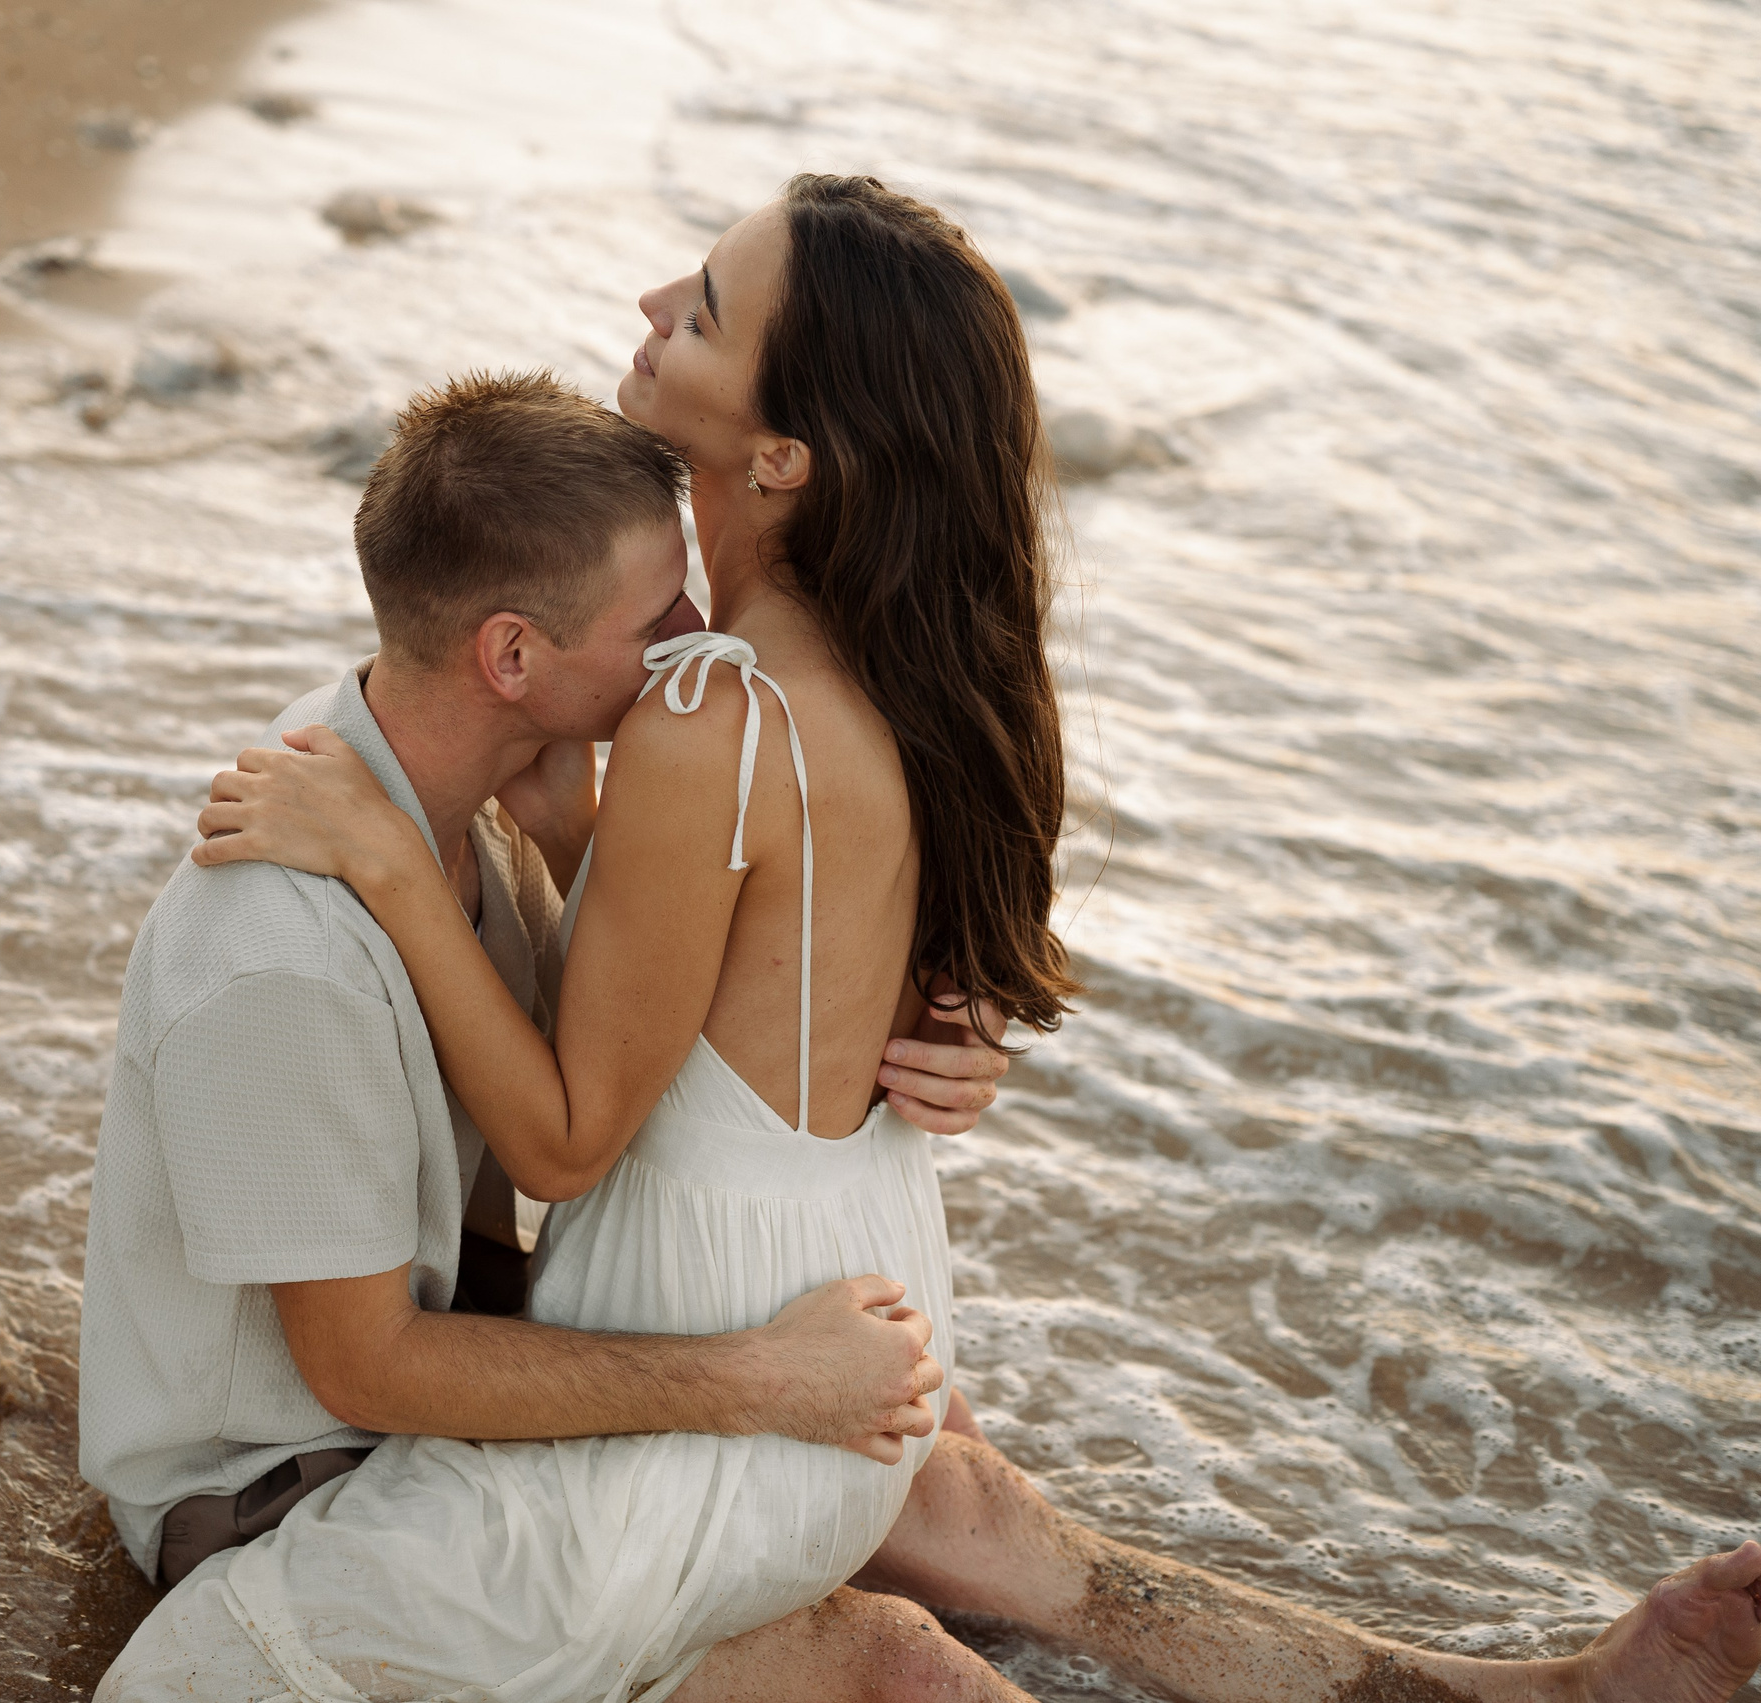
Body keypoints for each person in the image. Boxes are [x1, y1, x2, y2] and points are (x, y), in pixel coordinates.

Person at [91, 175, 1761, 1703]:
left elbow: (569, 1138)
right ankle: (1513, 1696)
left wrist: (401, 868)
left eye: (712, 307)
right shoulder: (861, 683)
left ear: (783, 455)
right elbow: (726, 945)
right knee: (905, 1585)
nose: (660, 292)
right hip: (863, 1323)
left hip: (734, 1374)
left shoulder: (700, 716)